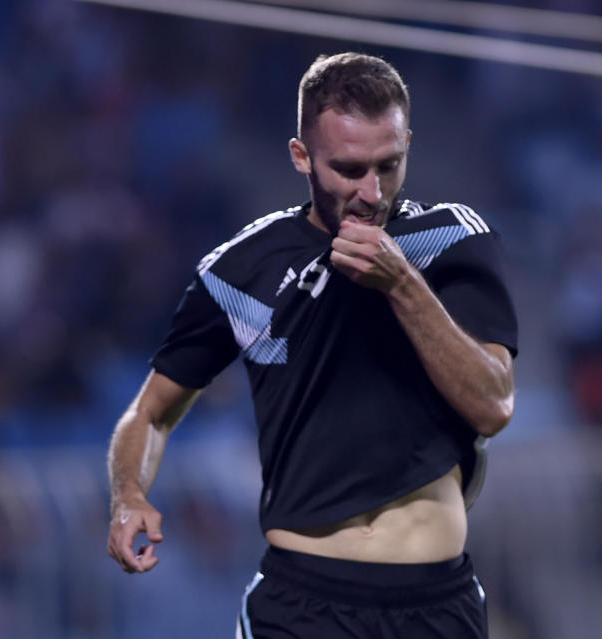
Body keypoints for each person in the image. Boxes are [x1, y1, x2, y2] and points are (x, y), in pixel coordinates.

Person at [105, 52, 518, 638]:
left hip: (435, 600)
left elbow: (493, 405)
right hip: (302, 604)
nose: (372, 192)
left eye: (389, 165)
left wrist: (401, 282)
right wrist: (129, 495)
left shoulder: (453, 239)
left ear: (408, 144)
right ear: (301, 156)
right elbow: (149, 413)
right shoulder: (240, 270)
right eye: (349, 169)